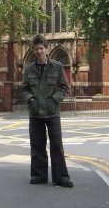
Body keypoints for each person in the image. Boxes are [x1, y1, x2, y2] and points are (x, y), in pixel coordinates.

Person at [21, 34, 73, 188]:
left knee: (57, 145)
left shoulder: (57, 66)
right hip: (35, 113)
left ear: (46, 49)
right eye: (36, 49)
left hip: (52, 112)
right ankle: (38, 175)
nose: (38, 51)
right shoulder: (29, 69)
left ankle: (61, 177)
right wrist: (30, 99)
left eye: (41, 48)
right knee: (37, 146)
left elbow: (65, 87)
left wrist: (55, 99)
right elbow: (24, 89)